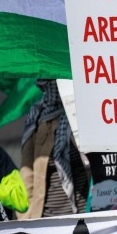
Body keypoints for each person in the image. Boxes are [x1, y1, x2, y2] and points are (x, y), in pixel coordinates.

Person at [19, 80, 88, 219]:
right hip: (46, 218)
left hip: (84, 215)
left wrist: (72, 113)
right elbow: (27, 173)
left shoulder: (83, 112)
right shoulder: (36, 116)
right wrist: (26, 217)